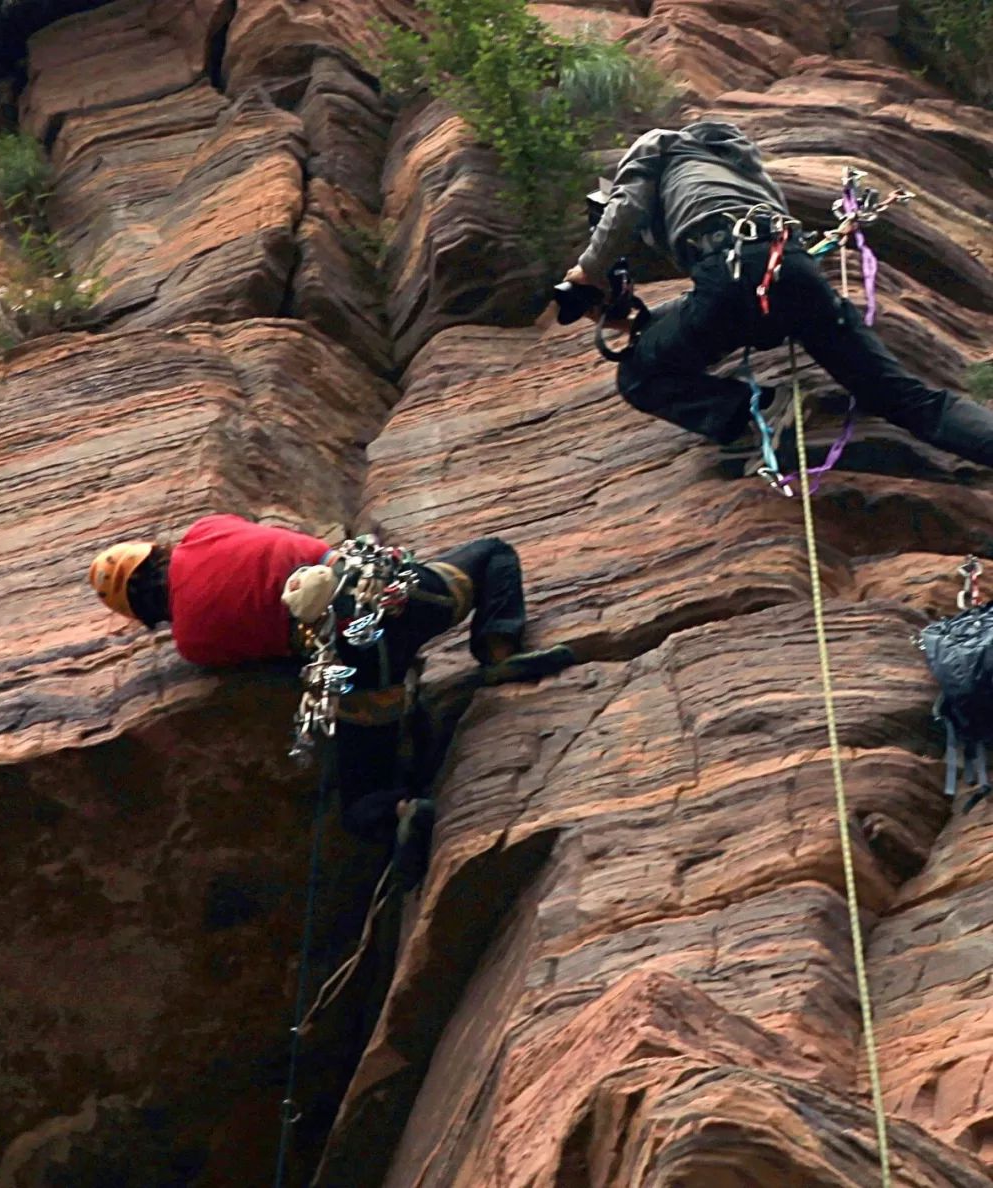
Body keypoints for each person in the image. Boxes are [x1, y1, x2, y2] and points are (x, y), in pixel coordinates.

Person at [88, 514, 574, 886]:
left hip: (357, 661)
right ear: (156, 553)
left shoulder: (193, 642)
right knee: (492, 555)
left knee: (361, 795)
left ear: (144, 612)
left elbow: (266, 656)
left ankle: (399, 811)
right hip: (389, 592)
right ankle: (499, 650)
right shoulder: (206, 529)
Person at [562, 120, 993, 465]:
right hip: (792, 274)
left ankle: (766, 410)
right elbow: (758, 269)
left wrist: (588, 270)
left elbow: (626, 208)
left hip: (732, 273)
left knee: (638, 373)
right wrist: (636, 321)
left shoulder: (658, 145)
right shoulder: (749, 176)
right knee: (907, 399)